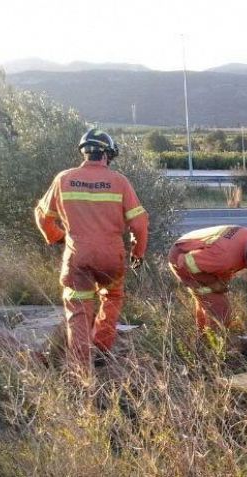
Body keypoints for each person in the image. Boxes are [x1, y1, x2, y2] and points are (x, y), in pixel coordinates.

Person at [34, 128, 149, 378]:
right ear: (106, 155)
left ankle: (81, 370)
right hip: (111, 257)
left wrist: (56, 237)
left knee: (78, 308)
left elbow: (42, 217)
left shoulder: (64, 179)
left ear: (84, 153)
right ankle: (101, 347)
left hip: (78, 257)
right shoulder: (119, 181)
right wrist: (138, 253)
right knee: (112, 296)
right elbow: (140, 224)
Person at [168, 225, 247, 332]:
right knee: (220, 310)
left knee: (209, 300)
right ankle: (213, 343)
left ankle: (203, 335)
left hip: (198, 250)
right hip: (181, 257)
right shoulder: (224, 258)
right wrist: (213, 282)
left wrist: (222, 282)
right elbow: (186, 263)